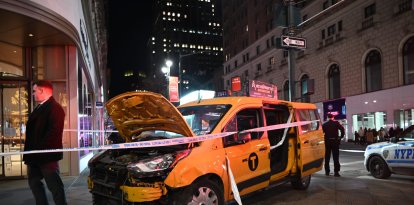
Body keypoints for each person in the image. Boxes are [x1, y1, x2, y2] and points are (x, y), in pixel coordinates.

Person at [23, 80, 67, 205]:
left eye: (34, 91)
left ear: (41, 90)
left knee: (55, 186)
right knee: (34, 183)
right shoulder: (39, 107)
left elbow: (54, 134)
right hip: (35, 156)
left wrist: (39, 150)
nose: (33, 94)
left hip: (47, 156)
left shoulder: (55, 108)